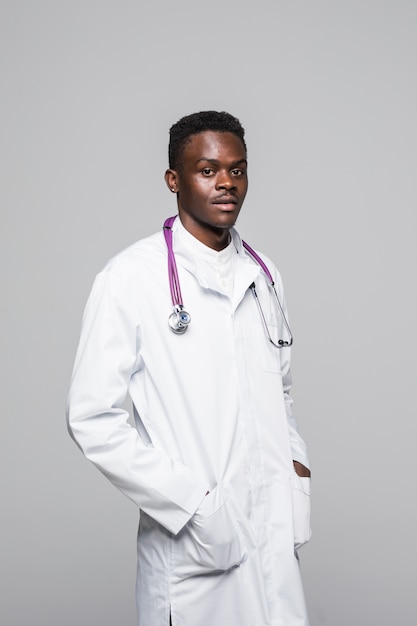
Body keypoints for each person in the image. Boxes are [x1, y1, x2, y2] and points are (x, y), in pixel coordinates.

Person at [67, 110, 311, 626]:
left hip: (271, 537)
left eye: (238, 170)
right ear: (173, 180)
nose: (226, 183)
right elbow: (93, 419)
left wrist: (295, 475)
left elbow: (279, 393)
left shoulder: (264, 275)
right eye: (207, 170)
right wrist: (193, 505)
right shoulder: (130, 278)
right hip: (197, 547)